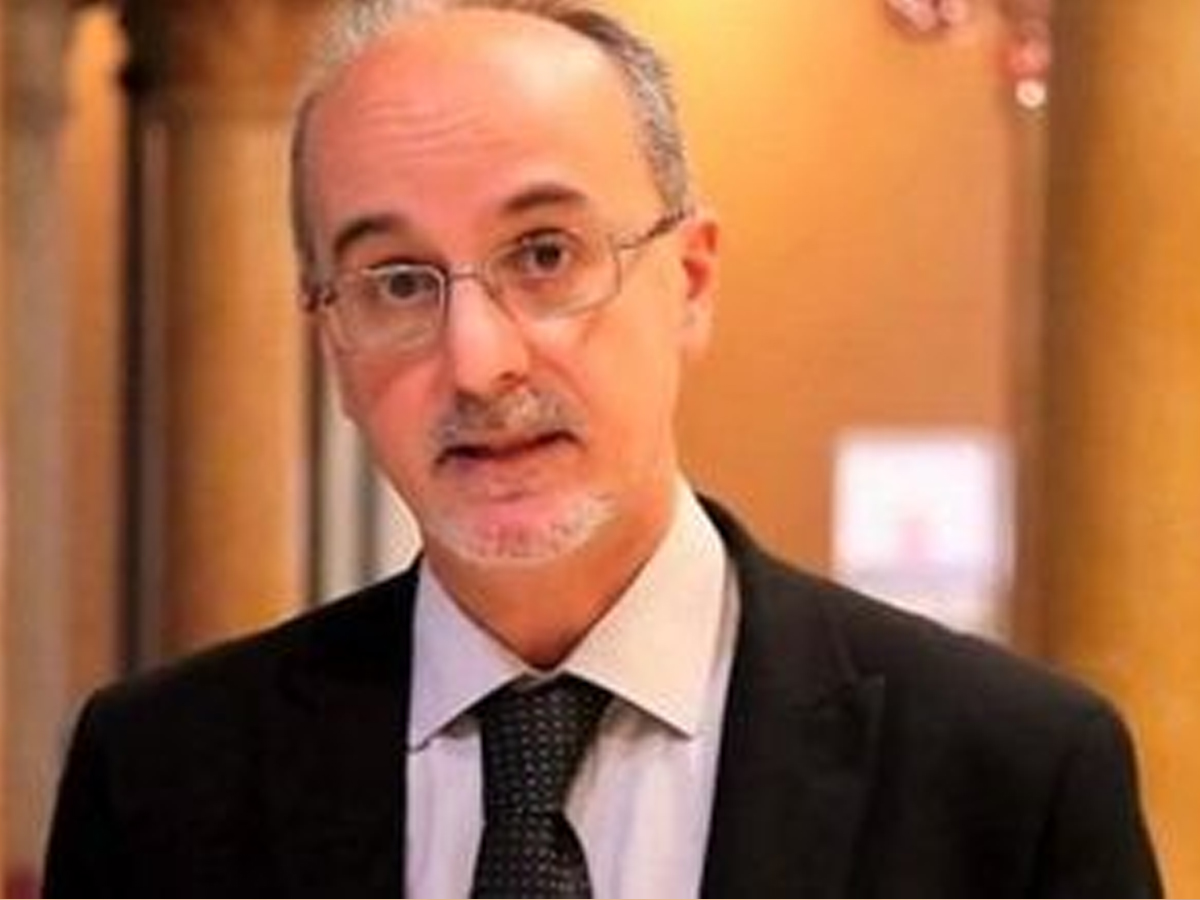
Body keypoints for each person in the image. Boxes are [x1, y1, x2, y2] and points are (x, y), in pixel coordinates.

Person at [43, 0, 1162, 896]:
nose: (479, 362)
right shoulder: (162, 780)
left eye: (544, 255)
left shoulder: (1006, 779)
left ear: (692, 281)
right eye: (397, 282)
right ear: (332, 339)